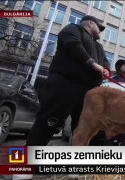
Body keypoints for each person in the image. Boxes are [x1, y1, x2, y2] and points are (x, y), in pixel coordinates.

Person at [26, 15, 111, 146]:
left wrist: (106, 70)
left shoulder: (99, 47)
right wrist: (92, 63)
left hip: (90, 92)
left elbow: (105, 62)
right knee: (48, 122)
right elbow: (73, 45)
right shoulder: (73, 29)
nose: (100, 31)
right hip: (65, 85)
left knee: (87, 128)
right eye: (99, 27)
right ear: (90, 23)